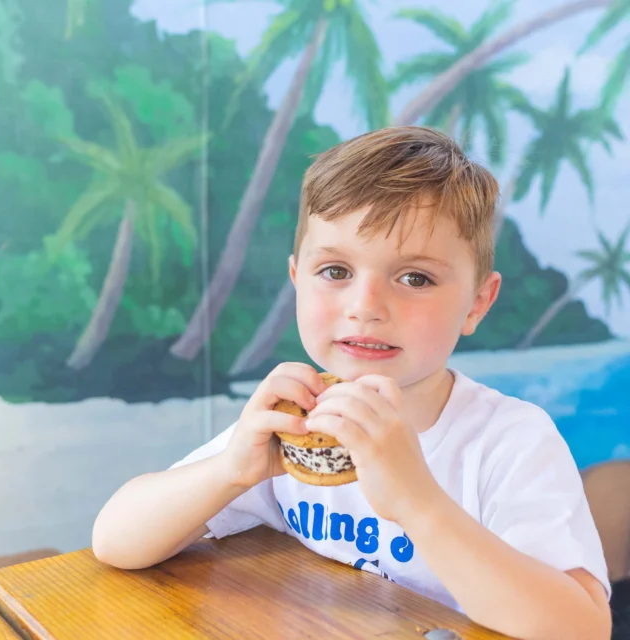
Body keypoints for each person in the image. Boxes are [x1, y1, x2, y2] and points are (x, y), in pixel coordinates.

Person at [92, 127, 612, 639]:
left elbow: (582, 627)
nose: (365, 307)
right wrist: (230, 471)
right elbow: (114, 541)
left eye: (415, 278)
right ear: (297, 280)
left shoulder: (510, 440)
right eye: (336, 271)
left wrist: (417, 501)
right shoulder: (293, 419)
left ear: (477, 302)